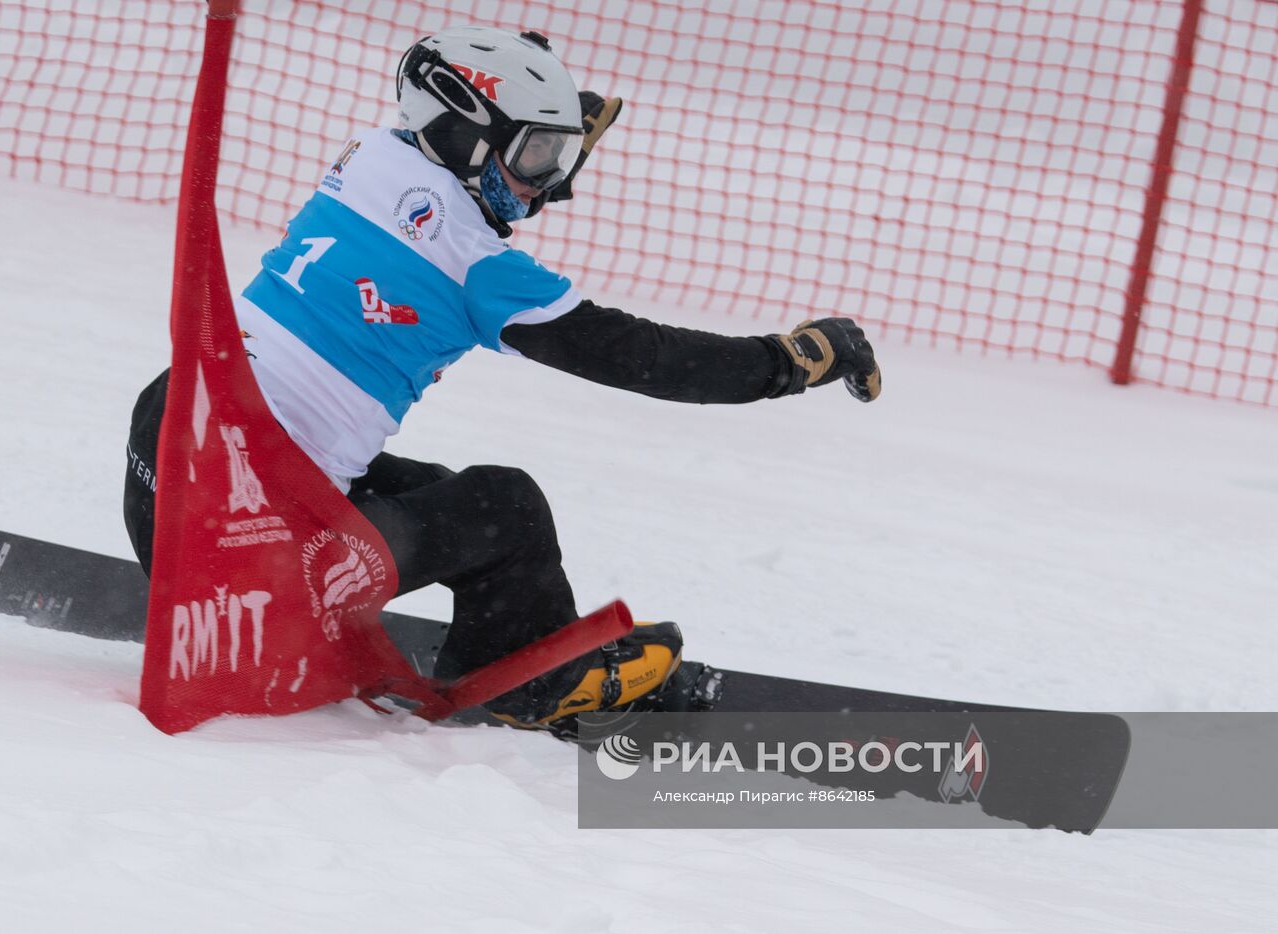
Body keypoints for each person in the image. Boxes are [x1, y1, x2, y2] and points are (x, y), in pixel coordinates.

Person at [124, 25, 881, 733]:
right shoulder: (478, 270)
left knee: (433, 490)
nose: (543, 188)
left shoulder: (369, 160)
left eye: (558, 158)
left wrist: (527, 120)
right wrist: (789, 360)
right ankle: (532, 685)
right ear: (468, 135)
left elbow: (455, 176)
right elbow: (646, 358)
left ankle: (520, 645)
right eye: (536, 159)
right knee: (506, 509)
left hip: (172, 473)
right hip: (254, 552)